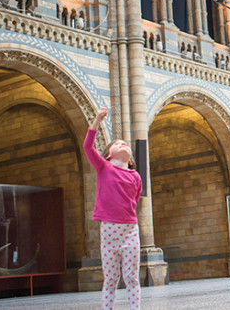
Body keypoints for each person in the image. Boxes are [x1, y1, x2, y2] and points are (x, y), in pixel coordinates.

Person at [84, 106, 142, 310]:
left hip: (130, 231)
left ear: (131, 159)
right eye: (118, 143)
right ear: (108, 156)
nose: (123, 144)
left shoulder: (136, 176)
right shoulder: (103, 167)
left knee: (132, 277)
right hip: (109, 231)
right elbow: (88, 147)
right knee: (110, 279)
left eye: (126, 144)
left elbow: (134, 199)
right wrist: (97, 120)